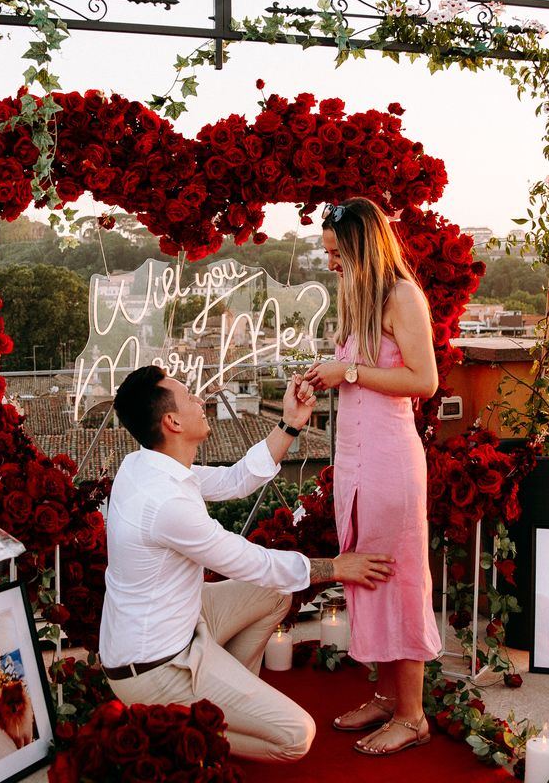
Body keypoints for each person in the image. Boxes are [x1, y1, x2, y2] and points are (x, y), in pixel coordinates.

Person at [99, 364, 396, 762]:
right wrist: (337, 568)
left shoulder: (146, 464)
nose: (200, 400)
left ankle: (226, 694)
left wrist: (290, 424)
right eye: (189, 397)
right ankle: (187, 728)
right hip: (158, 666)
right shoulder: (163, 502)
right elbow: (246, 561)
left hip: (181, 621)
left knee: (275, 594)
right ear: (171, 421)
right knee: (297, 736)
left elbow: (235, 479)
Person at [302, 197, 442, 756]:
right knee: (367, 572)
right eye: (327, 253)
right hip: (356, 458)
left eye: (337, 252)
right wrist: (326, 377)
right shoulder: (356, 294)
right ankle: (387, 694)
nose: (331, 262)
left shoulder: (403, 296)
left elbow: (424, 380)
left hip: (389, 460)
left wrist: (351, 371)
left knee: (398, 576)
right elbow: (361, 374)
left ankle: (413, 715)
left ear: (362, 245)